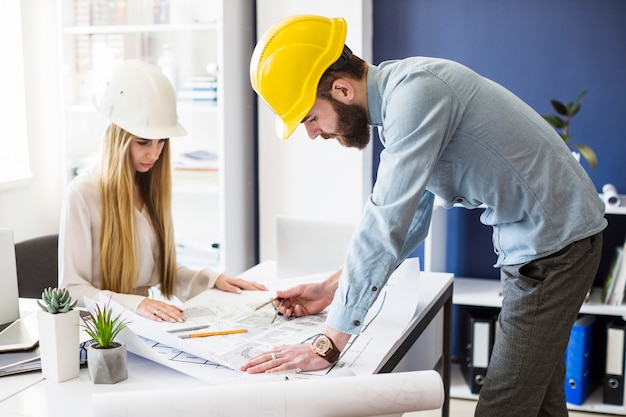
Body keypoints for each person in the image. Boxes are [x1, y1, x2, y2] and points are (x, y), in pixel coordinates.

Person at [241, 15, 607, 417]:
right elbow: (410, 221)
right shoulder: (403, 101)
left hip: (554, 250)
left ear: (342, 89)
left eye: (310, 117)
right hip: (547, 244)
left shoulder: (417, 95)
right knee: (539, 399)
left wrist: (327, 344)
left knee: (503, 406)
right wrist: (333, 287)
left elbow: (384, 224)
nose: (313, 133)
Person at [59, 59, 265, 324]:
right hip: (104, 330)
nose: (154, 154)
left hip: (146, 322)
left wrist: (213, 280)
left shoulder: (148, 184)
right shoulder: (82, 194)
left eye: (161, 142)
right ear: (117, 139)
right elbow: (71, 290)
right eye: (143, 142)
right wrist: (138, 304)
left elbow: (162, 272)